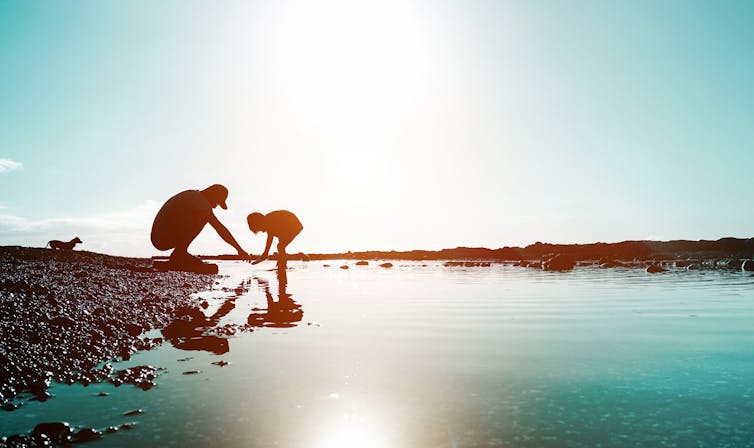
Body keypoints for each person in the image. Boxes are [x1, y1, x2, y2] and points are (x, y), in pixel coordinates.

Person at [151, 184, 249, 272]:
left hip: (160, 236)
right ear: (213, 195)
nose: (215, 207)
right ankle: (180, 253)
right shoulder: (200, 201)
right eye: (216, 202)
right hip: (162, 236)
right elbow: (220, 228)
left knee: (205, 214)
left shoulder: (194, 196)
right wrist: (239, 249)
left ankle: (179, 255)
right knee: (204, 216)